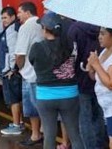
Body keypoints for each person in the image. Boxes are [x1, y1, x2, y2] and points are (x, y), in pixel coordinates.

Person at [29, 12, 84, 149]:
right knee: (75, 135)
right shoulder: (71, 45)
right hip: (70, 95)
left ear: (45, 29)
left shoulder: (37, 47)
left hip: (45, 96)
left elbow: (32, 62)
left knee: (49, 135)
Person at [68, 21, 106, 149]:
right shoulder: (103, 28)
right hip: (99, 78)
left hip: (80, 79)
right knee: (98, 116)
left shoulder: (75, 29)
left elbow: (71, 56)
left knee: (84, 119)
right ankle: (99, 145)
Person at [15, 2, 44, 146]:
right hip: (42, 73)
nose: (18, 15)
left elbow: (20, 54)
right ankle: (43, 133)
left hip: (29, 74)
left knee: (33, 107)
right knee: (42, 106)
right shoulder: (42, 24)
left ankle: (35, 134)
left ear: (27, 12)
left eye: (19, 12)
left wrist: (20, 68)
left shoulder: (25, 27)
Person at [0, 7, 23, 135]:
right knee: (17, 98)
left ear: (13, 17)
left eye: (6, 17)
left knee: (13, 100)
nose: (3, 20)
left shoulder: (11, 31)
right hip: (15, 70)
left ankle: (16, 125)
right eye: (2, 18)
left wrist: (11, 70)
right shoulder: (14, 28)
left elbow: (12, 51)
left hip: (10, 72)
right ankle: (20, 122)